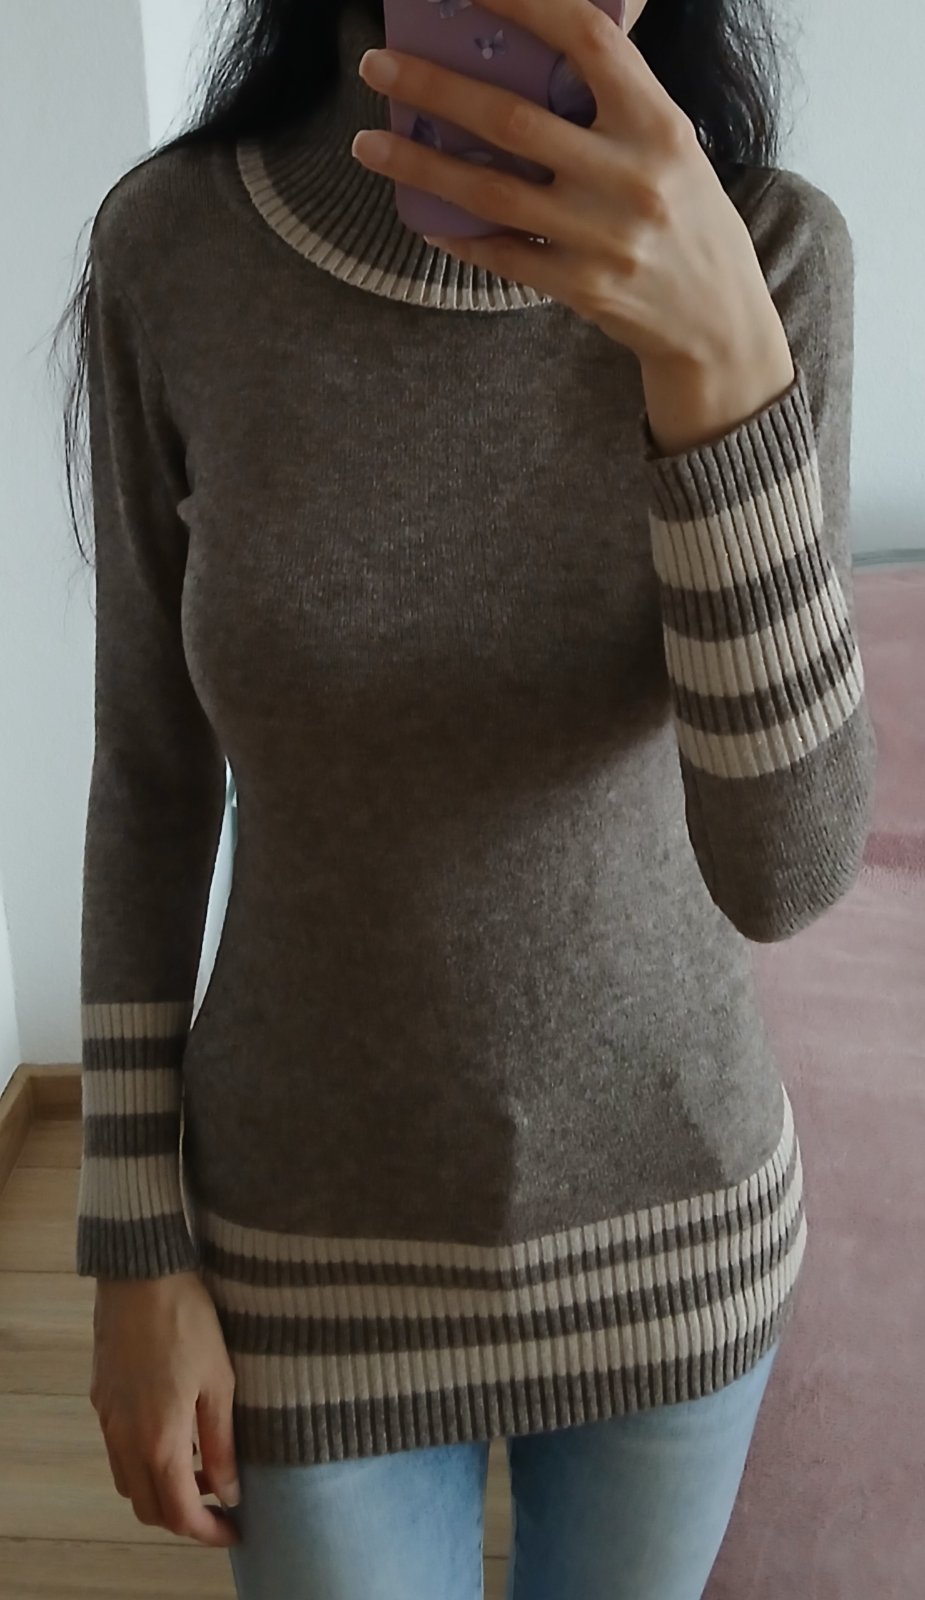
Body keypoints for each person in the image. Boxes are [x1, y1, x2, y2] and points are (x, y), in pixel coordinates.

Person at [56, 0, 878, 1594]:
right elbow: (149, 776)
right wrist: (134, 1252)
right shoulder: (175, 250)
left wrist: (713, 362)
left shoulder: (769, 254)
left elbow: (783, 873)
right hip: (304, 1243)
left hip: (674, 1227)